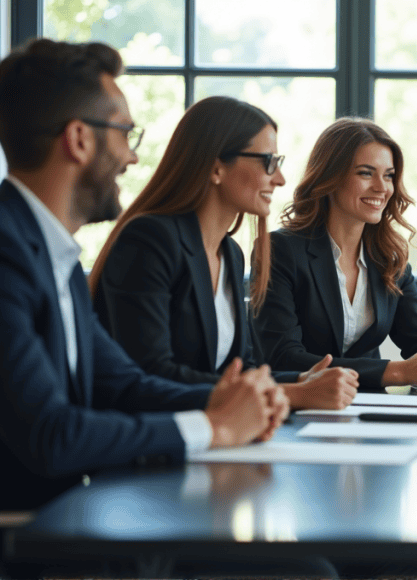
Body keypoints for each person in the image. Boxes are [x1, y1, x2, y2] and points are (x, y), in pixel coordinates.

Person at [0, 39, 305, 576]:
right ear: (78, 140)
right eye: (124, 133)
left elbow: (122, 382)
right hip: (34, 540)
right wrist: (215, 427)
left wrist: (233, 400)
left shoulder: (55, 255)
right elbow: (52, 435)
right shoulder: (7, 252)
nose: (134, 155)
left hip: (76, 517)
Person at [90, 96, 359, 410]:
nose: (280, 179)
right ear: (216, 167)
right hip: (148, 442)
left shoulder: (230, 253)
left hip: (214, 437)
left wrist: (299, 381)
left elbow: (238, 370)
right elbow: (151, 373)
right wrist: (290, 394)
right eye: (268, 162)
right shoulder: (150, 240)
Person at [254, 117, 417, 391]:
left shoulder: (390, 257)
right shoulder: (280, 250)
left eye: (389, 175)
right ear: (330, 177)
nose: (382, 187)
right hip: (298, 407)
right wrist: (395, 372)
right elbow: (283, 357)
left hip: (370, 409)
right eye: (366, 173)